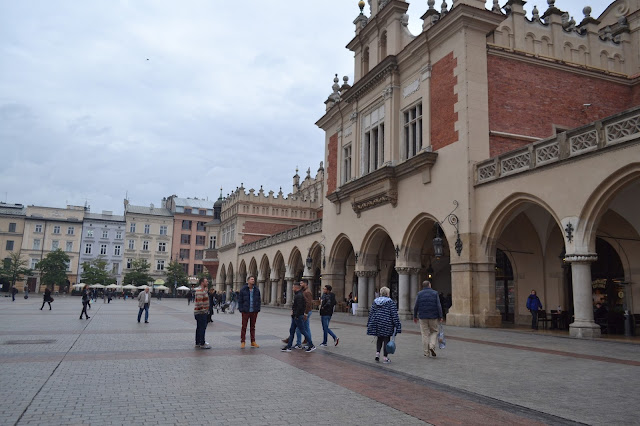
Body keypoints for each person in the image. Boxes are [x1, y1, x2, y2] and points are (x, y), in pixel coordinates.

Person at [367, 286, 401, 364]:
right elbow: (394, 314)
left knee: (379, 338)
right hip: (387, 322)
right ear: (387, 293)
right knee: (386, 339)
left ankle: (377, 354)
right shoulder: (390, 302)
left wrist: (369, 323)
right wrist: (397, 324)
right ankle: (385, 357)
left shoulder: (375, 301)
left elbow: (371, 312)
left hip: (377, 322)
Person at [281, 282, 316, 352]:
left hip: (298, 316)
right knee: (292, 330)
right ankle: (289, 346)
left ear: (296, 288)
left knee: (303, 330)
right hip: (295, 316)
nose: (292, 288)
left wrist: (297, 314)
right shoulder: (298, 294)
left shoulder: (299, 295)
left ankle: (311, 345)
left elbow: (300, 306)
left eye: (293, 287)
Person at [413, 281, 443, 357]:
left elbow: (416, 305)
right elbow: (438, 305)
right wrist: (441, 316)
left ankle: (426, 353)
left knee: (425, 334)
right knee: (434, 331)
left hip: (422, 316)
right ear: (429, 285)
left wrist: (415, 316)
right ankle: (432, 346)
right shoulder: (435, 293)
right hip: (433, 316)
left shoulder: (419, 294)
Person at [238, 276, 261, 348]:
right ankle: (243, 341)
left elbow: (259, 300)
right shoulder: (243, 290)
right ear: (248, 281)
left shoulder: (257, 290)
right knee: (244, 326)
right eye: (251, 279)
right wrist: (241, 309)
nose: (253, 280)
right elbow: (240, 300)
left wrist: (257, 308)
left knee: (252, 327)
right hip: (246, 311)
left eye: (254, 279)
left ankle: (253, 341)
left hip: (254, 311)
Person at [294, 280, 313, 348]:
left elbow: (309, 303)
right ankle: (308, 343)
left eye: (301, 283)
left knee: (300, 328)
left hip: (306, 312)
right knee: (305, 328)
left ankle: (300, 343)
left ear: (305, 284)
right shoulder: (304, 291)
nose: (300, 284)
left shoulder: (307, 292)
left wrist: (306, 313)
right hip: (305, 312)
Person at [194, 277, 210, 349]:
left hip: (199, 312)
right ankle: (202, 343)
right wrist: (204, 311)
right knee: (202, 328)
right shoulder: (200, 290)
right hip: (201, 312)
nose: (207, 283)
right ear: (202, 283)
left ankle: (198, 342)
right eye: (206, 281)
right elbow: (200, 302)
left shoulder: (203, 290)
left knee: (199, 327)